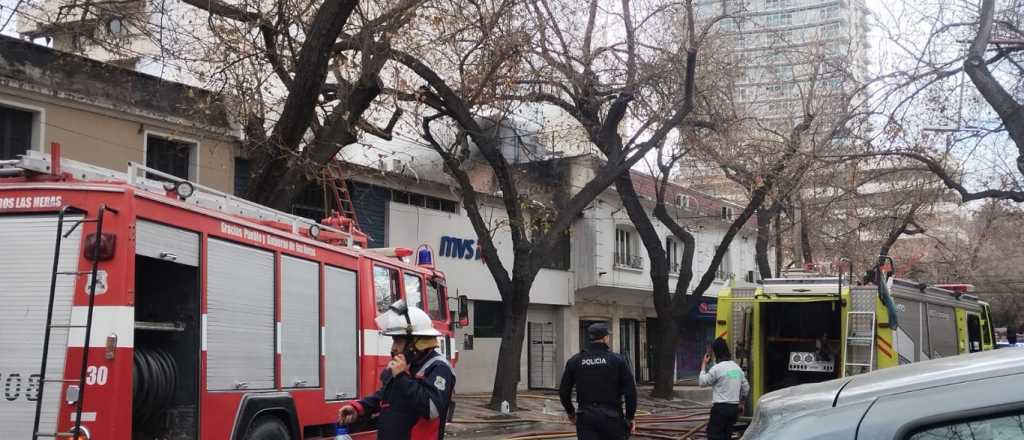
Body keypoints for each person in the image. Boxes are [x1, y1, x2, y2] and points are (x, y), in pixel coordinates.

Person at [338, 300, 456, 440]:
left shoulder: (439, 367)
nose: (393, 348)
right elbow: (386, 396)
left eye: (398, 341)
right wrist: (359, 408)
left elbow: (431, 409)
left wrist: (402, 377)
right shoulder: (407, 366)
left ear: (416, 343)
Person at [559, 322, 638, 440]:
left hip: (586, 417)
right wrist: (629, 418)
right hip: (612, 418)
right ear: (605, 338)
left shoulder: (575, 361)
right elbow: (631, 392)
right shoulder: (617, 360)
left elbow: (564, 392)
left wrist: (571, 413)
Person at [699, 337, 750, 440]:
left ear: (716, 353)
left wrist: (704, 365)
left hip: (720, 410)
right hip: (733, 410)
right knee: (727, 436)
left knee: (714, 436)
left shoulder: (717, 369)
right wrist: (742, 402)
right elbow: (746, 388)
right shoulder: (736, 368)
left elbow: (702, 382)